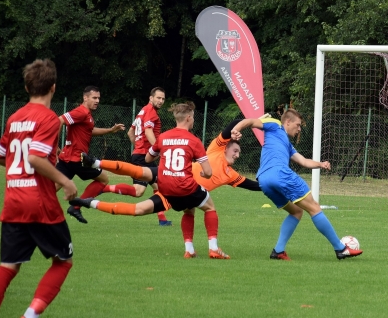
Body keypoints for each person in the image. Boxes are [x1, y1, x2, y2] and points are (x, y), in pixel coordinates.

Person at [85, 117, 265, 258]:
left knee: (179, 209)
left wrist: (273, 186)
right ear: (225, 148)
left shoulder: (232, 175)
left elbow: (254, 186)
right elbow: (232, 125)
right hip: (180, 181)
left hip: (177, 186)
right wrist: (245, 124)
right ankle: (208, 248)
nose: (238, 155)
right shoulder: (216, 149)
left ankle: (189, 250)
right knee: (143, 176)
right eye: (235, 150)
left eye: (239, 152)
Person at [71, 102, 231, 259]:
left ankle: (93, 183)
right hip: (185, 186)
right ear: (189, 118)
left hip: (166, 186)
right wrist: (204, 174)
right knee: (209, 208)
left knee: (145, 205)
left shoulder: (163, 137)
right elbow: (209, 173)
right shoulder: (194, 140)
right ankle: (214, 248)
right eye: (194, 118)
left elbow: (148, 158)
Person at [0, 59, 78, 318]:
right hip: (39, 202)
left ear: (27, 88)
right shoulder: (49, 119)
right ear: (53, 87)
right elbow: (34, 158)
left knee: (8, 266)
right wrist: (65, 181)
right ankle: (29, 316)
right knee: (63, 261)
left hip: (13, 201)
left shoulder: (15, 117)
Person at [230, 108, 363, 260]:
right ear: (287, 122)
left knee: (296, 212)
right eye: (298, 125)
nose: (299, 129)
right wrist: (236, 130)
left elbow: (304, 161)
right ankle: (340, 249)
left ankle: (278, 251)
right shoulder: (274, 124)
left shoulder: (286, 144)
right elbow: (251, 121)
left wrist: (321, 164)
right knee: (314, 208)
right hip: (280, 174)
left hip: (264, 181)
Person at [102, 87, 172, 226]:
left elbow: (130, 132)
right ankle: (103, 189)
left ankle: (162, 219)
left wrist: (139, 147)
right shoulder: (151, 112)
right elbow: (148, 132)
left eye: (163, 99)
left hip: (141, 155)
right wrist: (157, 150)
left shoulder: (142, 111)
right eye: (158, 98)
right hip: (143, 157)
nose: (161, 101)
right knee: (138, 191)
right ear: (150, 98)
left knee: (160, 186)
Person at [55, 86, 125, 224]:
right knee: (104, 179)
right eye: (94, 98)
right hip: (77, 159)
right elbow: (59, 121)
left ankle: (27, 209)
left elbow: (89, 130)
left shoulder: (86, 115)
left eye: (98, 98)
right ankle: (75, 207)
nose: (97, 100)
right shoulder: (81, 112)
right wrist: (54, 145)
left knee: (50, 189)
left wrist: (110, 130)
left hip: (67, 158)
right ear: (85, 98)